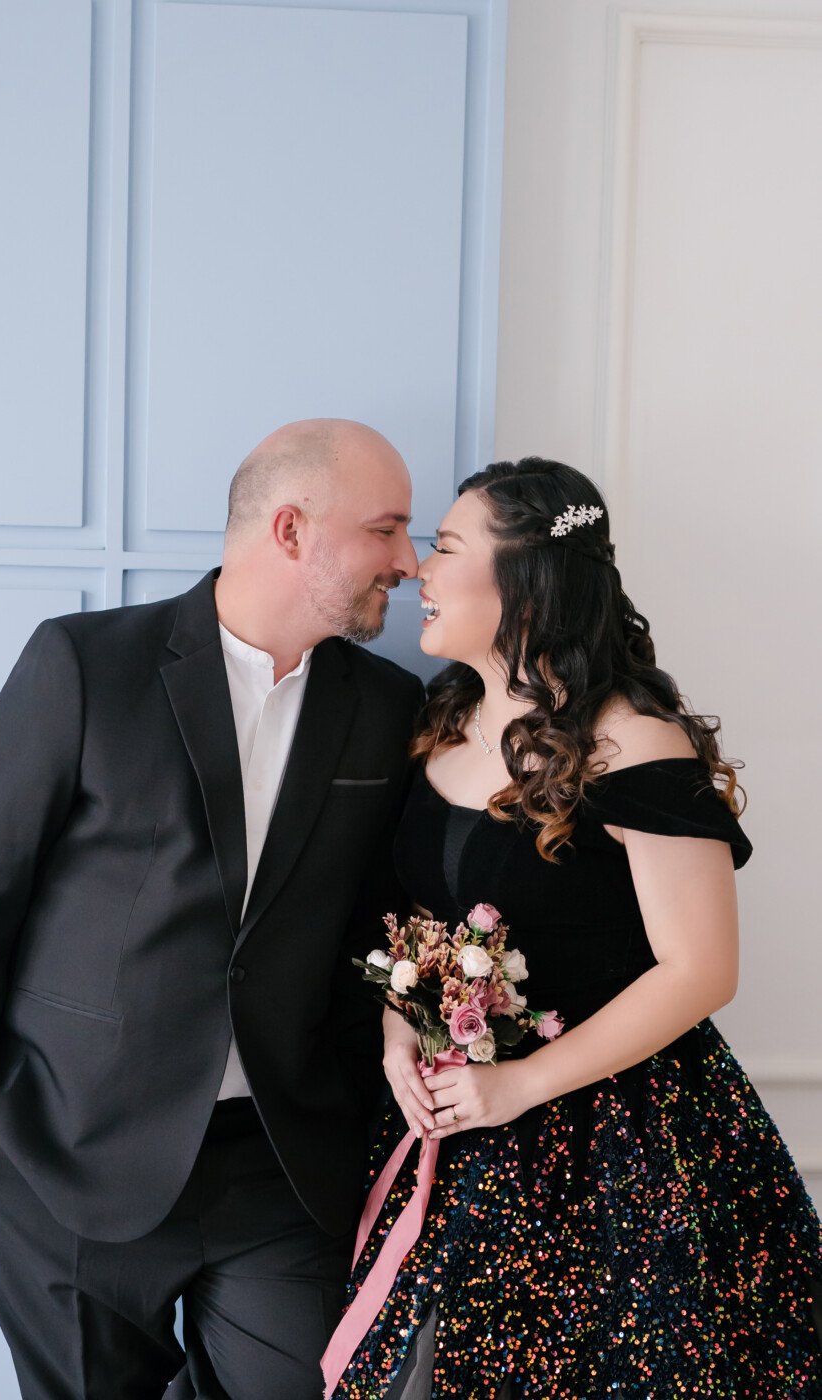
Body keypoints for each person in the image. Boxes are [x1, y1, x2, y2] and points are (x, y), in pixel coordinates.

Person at [0, 418, 426, 1400]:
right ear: (289, 529)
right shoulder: (86, 663)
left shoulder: (389, 705)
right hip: (68, 1154)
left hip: (282, 1165)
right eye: (386, 528)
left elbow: (377, 925)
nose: (408, 560)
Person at [326, 458, 822, 1399]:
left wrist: (518, 1086)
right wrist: (400, 1032)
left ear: (525, 580)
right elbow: (411, 923)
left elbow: (700, 969)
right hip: (452, 1124)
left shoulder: (633, 740)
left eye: (445, 548)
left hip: (619, 1144)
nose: (419, 569)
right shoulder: (441, 719)